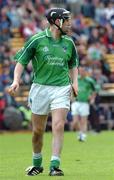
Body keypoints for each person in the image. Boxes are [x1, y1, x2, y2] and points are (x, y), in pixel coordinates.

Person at [7, 8, 79, 176]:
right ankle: (37, 163)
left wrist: (75, 82)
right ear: (56, 22)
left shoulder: (69, 43)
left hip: (61, 87)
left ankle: (55, 165)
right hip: (40, 89)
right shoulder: (37, 40)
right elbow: (21, 61)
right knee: (38, 131)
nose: (69, 23)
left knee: (59, 125)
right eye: (66, 20)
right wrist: (16, 80)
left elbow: (73, 64)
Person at [71, 66, 98, 142]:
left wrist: (92, 98)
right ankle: (80, 133)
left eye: (83, 71)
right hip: (76, 102)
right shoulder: (76, 79)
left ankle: (83, 135)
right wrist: (71, 97)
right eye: (80, 71)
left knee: (84, 121)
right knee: (75, 122)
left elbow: (95, 90)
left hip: (85, 103)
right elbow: (71, 88)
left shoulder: (90, 81)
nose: (81, 72)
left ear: (86, 72)